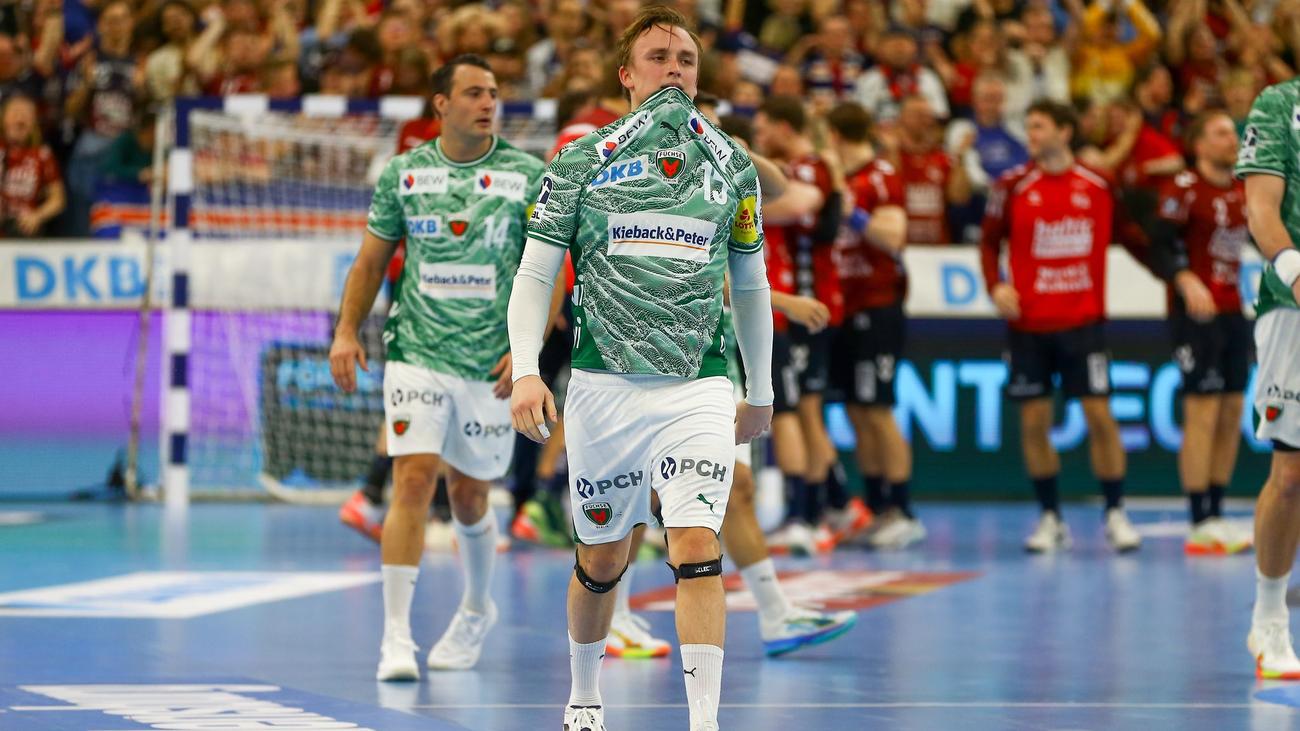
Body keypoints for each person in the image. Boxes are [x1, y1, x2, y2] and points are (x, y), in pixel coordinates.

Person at [508, 7, 773, 730]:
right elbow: (535, 274)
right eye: (658, 57)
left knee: (696, 543)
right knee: (601, 556)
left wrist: (761, 388)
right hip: (604, 387)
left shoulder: (731, 165)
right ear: (626, 76)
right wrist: (528, 370)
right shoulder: (579, 160)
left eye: (685, 59)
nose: (674, 70)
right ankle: (584, 695)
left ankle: (704, 720)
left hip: (699, 383)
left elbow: (750, 284)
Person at [329, 54, 544, 681]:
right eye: (474, 92)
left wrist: (525, 350)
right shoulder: (404, 173)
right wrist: (346, 331)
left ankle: (476, 607)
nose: (488, 103)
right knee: (414, 480)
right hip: (416, 353)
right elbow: (371, 262)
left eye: (494, 93)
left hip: (490, 363)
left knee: (470, 495)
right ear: (441, 104)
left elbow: (547, 269)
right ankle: (396, 637)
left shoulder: (527, 176)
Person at [978, 99, 1145, 554]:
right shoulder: (1011, 185)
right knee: (1034, 421)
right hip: (1028, 325)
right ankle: (1050, 516)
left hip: (1083, 322)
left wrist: (1173, 272)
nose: (1031, 134)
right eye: (1028, 126)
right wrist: (995, 285)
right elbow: (989, 242)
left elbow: (1132, 235)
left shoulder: (1098, 183)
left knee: (1100, 417)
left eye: (1039, 126)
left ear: (1064, 132)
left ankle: (1115, 511)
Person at [1147, 111, 1252, 556]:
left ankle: (1217, 510)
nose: (1232, 139)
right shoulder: (1184, 188)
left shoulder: (1244, 189)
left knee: (1231, 410)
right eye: (1221, 133)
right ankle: (1198, 519)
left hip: (1232, 309)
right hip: (1194, 314)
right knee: (1202, 411)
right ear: (1200, 145)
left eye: (1232, 132)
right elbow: (1158, 241)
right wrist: (1183, 277)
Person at [825, 100, 921, 549]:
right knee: (857, 410)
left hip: (879, 305)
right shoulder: (842, 179)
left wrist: (852, 212)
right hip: (845, 307)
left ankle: (903, 510)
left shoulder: (879, 176)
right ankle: (878, 505)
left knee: (878, 409)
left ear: (836, 136)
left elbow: (894, 238)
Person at [1235, 75, 1300, 679]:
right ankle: (1270, 619)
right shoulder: (1280, 104)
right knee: (1291, 474)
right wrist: (1297, 273)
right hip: (1293, 307)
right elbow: (1261, 210)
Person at [0, 95, 63, 237]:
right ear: (3, 118)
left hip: (24, 228)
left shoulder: (42, 155)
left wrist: (37, 216)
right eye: (15, 113)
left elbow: (58, 199)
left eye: (26, 116)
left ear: (34, 124)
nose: (20, 120)